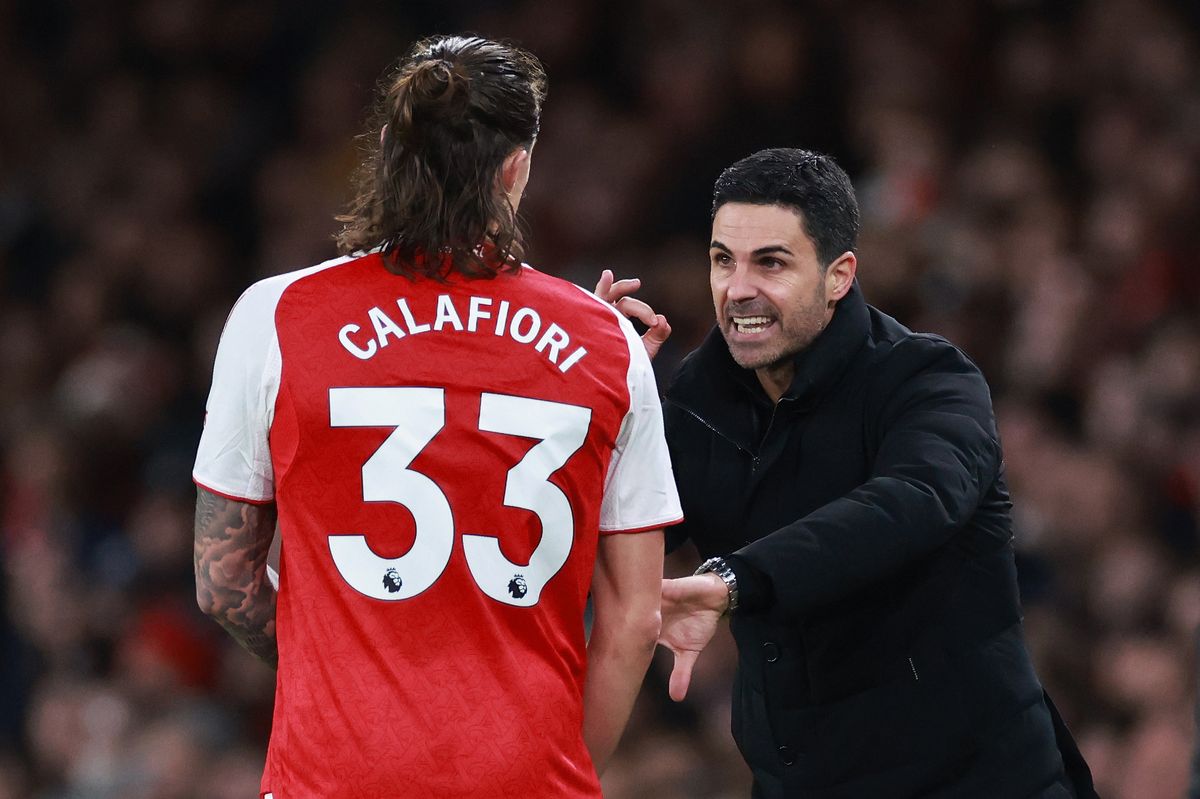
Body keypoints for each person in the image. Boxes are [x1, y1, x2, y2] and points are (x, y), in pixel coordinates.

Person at [192, 35, 682, 798]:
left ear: (387, 148)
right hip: (524, 776)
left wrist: (342, 670)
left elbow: (223, 581)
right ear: (517, 167)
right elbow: (635, 622)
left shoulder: (275, 316)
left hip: (334, 775)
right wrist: (562, 773)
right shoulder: (607, 344)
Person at [608, 148, 1097, 798]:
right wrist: (604, 407)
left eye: (771, 262)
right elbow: (617, 525)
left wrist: (738, 580)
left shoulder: (928, 380)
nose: (738, 287)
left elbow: (911, 503)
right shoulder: (700, 394)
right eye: (723, 260)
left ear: (838, 276)